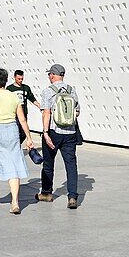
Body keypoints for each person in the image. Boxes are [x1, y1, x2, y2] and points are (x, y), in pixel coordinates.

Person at [0, 68, 34, 214]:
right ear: (6, 80)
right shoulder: (13, 97)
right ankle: (15, 202)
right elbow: (21, 119)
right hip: (12, 130)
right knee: (14, 163)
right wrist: (28, 137)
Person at [37, 64, 83, 209]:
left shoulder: (48, 91)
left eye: (49, 74)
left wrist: (45, 133)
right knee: (71, 165)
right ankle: (72, 197)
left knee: (48, 164)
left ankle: (46, 193)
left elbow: (46, 113)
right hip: (70, 133)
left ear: (53, 75)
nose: (49, 76)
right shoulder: (71, 90)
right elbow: (77, 112)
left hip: (53, 132)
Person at [6, 69, 39, 145]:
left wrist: (40, 106)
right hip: (14, 115)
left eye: (22, 79)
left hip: (23, 113)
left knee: (24, 133)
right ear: (14, 77)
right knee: (14, 132)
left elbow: (32, 98)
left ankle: (16, 145)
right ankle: (14, 147)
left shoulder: (26, 88)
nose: (20, 80)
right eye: (19, 79)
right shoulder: (9, 89)